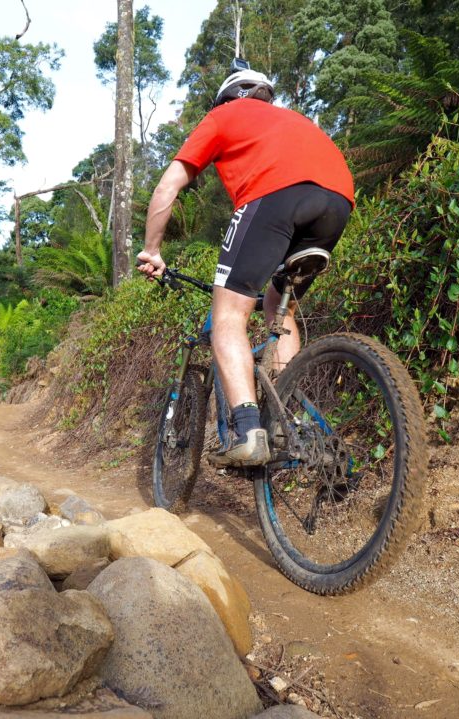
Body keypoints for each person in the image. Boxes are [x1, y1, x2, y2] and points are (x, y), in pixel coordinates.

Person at [136, 66, 354, 467]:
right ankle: (286, 420)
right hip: (339, 200)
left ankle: (249, 430)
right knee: (279, 307)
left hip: (276, 196)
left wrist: (152, 251)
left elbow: (168, 186)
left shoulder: (223, 115)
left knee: (228, 317)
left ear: (225, 99)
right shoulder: (292, 118)